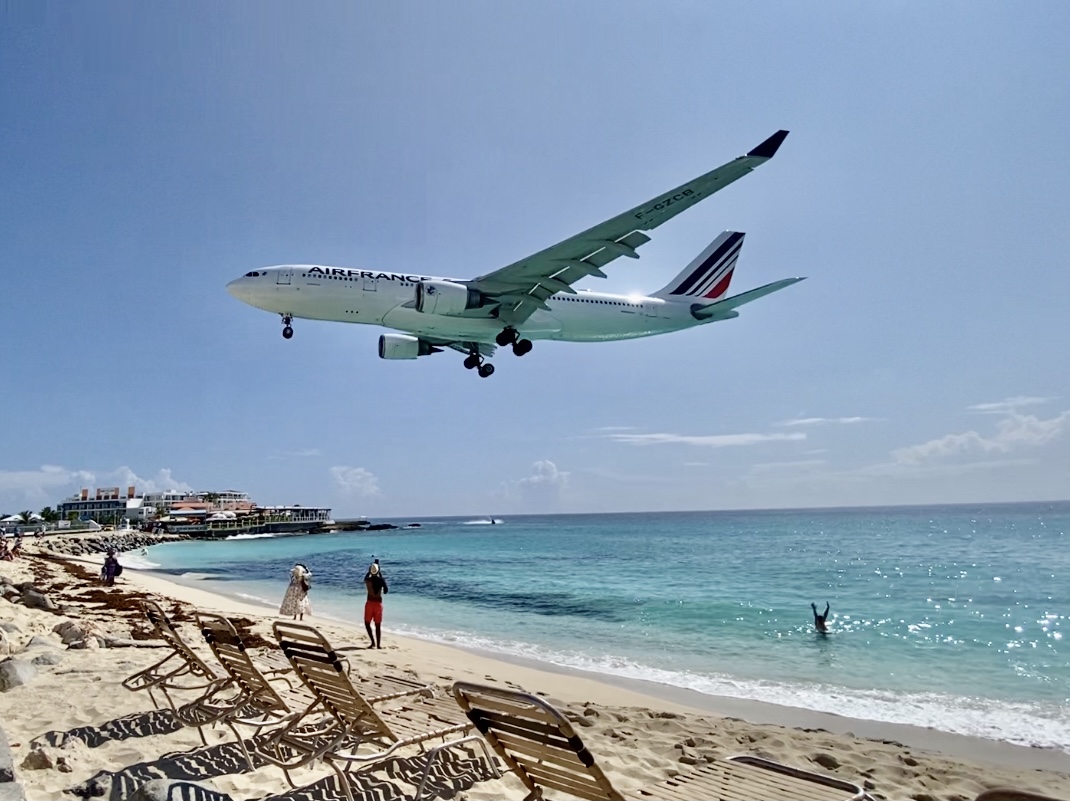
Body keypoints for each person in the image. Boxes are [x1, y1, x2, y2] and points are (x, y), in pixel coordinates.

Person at [363, 560, 388, 649]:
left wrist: (369, 571)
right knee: (378, 625)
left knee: (367, 623)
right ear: (378, 571)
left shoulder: (367, 580)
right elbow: (385, 591)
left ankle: (372, 642)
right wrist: (380, 575)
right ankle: (378, 645)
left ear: (370, 570)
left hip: (369, 604)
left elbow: (365, 578)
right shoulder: (381, 580)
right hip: (378, 605)